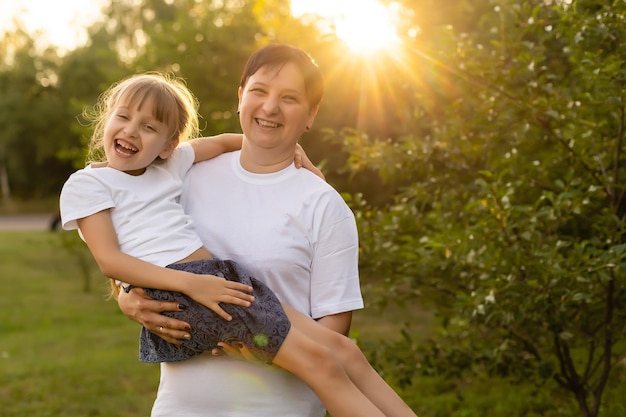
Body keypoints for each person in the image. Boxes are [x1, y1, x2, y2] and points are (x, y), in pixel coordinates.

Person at [114, 45, 417, 417]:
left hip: (280, 406)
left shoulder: (323, 203)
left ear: (311, 114)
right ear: (240, 97)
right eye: (259, 91)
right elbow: (132, 245)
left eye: (289, 98)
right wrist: (127, 299)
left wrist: (271, 354)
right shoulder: (184, 176)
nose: (270, 108)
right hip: (182, 407)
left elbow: (335, 333)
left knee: (348, 355)